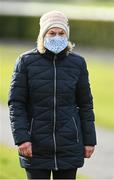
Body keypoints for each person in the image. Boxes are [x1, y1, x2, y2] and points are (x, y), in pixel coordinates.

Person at [8, 10, 97, 180]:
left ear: (67, 35)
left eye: (61, 33)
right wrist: (21, 139)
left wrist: (89, 140)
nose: (57, 36)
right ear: (43, 35)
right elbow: (16, 103)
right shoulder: (25, 62)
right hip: (35, 146)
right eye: (52, 32)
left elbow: (85, 104)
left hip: (69, 146)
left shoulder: (78, 63)